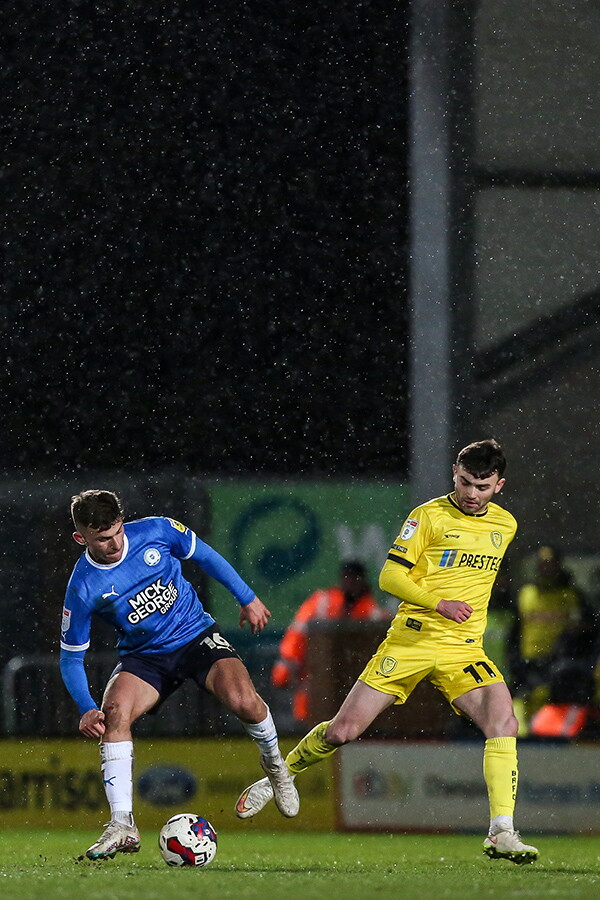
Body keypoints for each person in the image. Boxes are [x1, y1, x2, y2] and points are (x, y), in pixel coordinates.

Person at [235, 439, 539, 864]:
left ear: (499, 486)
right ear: (454, 473)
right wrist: (439, 603)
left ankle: (501, 832)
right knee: (343, 731)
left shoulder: (505, 525)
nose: (472, 494)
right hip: (411, 641)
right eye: (466, 482)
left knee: (503, 722)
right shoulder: (428, 517)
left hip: (463, 648)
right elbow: (390, 577)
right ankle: (281, 775)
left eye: (482, 487)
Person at [60, 489, 298, 860]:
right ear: (81, 538)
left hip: (195, 636)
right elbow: (71, 659)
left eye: (117, 531)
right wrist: (86, 707)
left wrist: (247, 597)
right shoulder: (82, 586)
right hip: (145, 657)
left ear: (123, 522)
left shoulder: (157, 530)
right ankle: (122, 825)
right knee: (113, 715)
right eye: (102, 539)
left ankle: (276, 769)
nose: (114, 543)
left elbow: (206, 556)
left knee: (245, 702)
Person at [271, 560, 390, 723]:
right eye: (347, 577)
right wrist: (285, 668)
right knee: (313, 724)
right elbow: (296, 635)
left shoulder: (372, 612)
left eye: (354, 578)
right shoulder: (323, 602)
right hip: (318, 680)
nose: (350, 583)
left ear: (362, 581)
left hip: (350, 683)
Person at [508, 544, 592, 728]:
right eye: (542, 563)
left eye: (550, 563)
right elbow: (515, 632)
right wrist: (516, 661)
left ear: (558, 565)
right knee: (520, 707)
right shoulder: (526, 594)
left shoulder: (570, 595)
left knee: (549, 713)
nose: (546, 568)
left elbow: (585, 630)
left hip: (557, 665)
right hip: (529, 664)